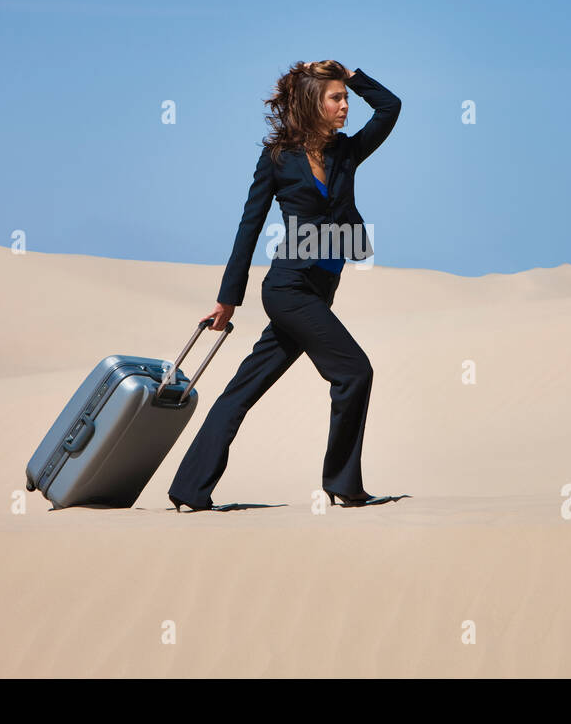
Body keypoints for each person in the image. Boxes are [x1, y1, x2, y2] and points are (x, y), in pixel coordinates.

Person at [167, 60, 402, 512]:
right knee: (354, 371)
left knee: (242, 390)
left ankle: (189, 490)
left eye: (346, 98)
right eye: (336, 98)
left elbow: (390, 108)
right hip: (288, 287)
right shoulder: (277, 159)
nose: (345, 106)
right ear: (314, 103)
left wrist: (352, 75)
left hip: (319, 290)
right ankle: (344, 484)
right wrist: (227, 300)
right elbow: (249, 227)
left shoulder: (346, 153)